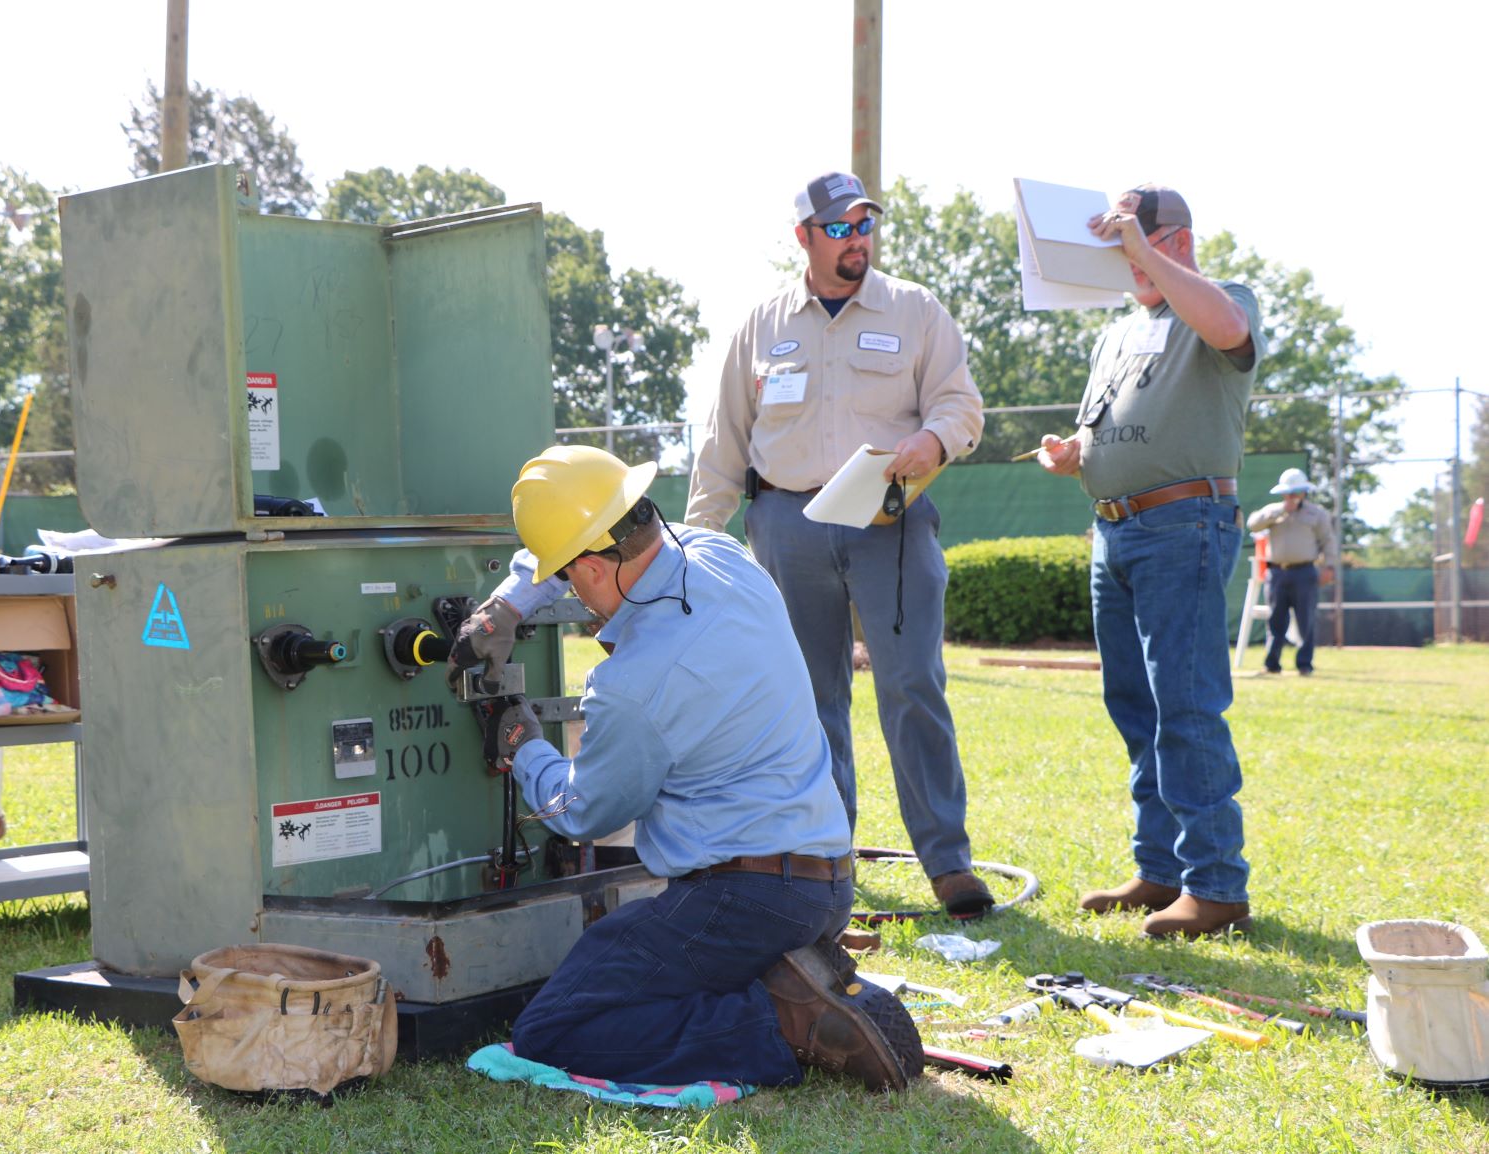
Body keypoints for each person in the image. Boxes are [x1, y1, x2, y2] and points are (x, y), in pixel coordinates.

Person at [446, 444, 922, 1091]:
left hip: (744, 899)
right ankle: (783, 973)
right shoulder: (720, 558)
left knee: (553, 1029)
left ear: (587, 569)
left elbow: (582, 812)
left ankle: (786, 1020)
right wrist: (508, 605)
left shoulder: (634, 680)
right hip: (826, 884)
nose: (576, 599)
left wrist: (521, 739)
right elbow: (587, 540)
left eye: (568, 576)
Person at [686, 171, 993, 917]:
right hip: (786, 524)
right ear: (804, 237)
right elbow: (726, 441)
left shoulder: (916, 310)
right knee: (810, 699)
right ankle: (828, 860)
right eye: (839, 228)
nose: (856, 240)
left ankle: (947, 862)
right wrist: (697, 543)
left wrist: (932, 439)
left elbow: (961, 404)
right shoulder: (762, 325)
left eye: (864, 226)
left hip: (889, 520)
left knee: (912, 685)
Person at [1036, 184, 1267, 938]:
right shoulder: (1117, 334)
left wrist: (1141, 250)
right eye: (1117, 242)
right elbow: (1099, 425)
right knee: (1134, 706)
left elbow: (1228, 328)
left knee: (1186, 704)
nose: (1122, 256)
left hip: (1182, 524)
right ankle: (1162, 870)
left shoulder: (1222, 298)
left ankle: (1217, 884)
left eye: (1135, 237)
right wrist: (1073, 455)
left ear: (1179, 239)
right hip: (1115, 531)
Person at [1247, 468, 1337, 676]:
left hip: (1305, 572)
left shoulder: (1317, 514)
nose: (1291, 497)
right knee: (1275, 620)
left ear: (1304, 492)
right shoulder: (1272, 512)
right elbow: (1253, 524)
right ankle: (1272, 663)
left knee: (1306, 619)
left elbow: (1329, 542)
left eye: (1296, 492)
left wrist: (1329, 567)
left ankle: (1304, 664)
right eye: (1288, 493)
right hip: (1277, 573)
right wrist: (1278, 512)